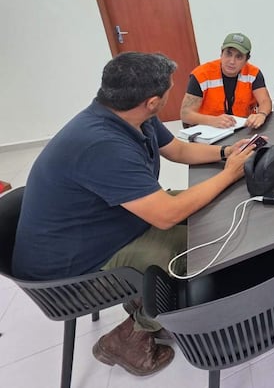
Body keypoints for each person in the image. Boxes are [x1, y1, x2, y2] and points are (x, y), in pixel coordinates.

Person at [12, 52, 257, 376]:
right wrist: (228, 175)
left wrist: (227, 153)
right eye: (170, 90)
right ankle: (130, 338)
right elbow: (166, 215)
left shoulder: (130, 115)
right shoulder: (101, 144)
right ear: (153, 101)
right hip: (67, 272)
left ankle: (153, 304)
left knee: (207, 212)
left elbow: (179, 150)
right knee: (201, 247)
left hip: (99, 226)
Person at [181, 32, 272, 128]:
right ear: (221, 53)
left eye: (239, 57)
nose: (232, 61)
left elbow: (265, 101)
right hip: (208, 128)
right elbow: (186, 114)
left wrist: (261, 114)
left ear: (246, 59)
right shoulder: (201, 75)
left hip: (241, 128)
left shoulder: (253, 73)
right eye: (228, 54)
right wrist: (213, 120)